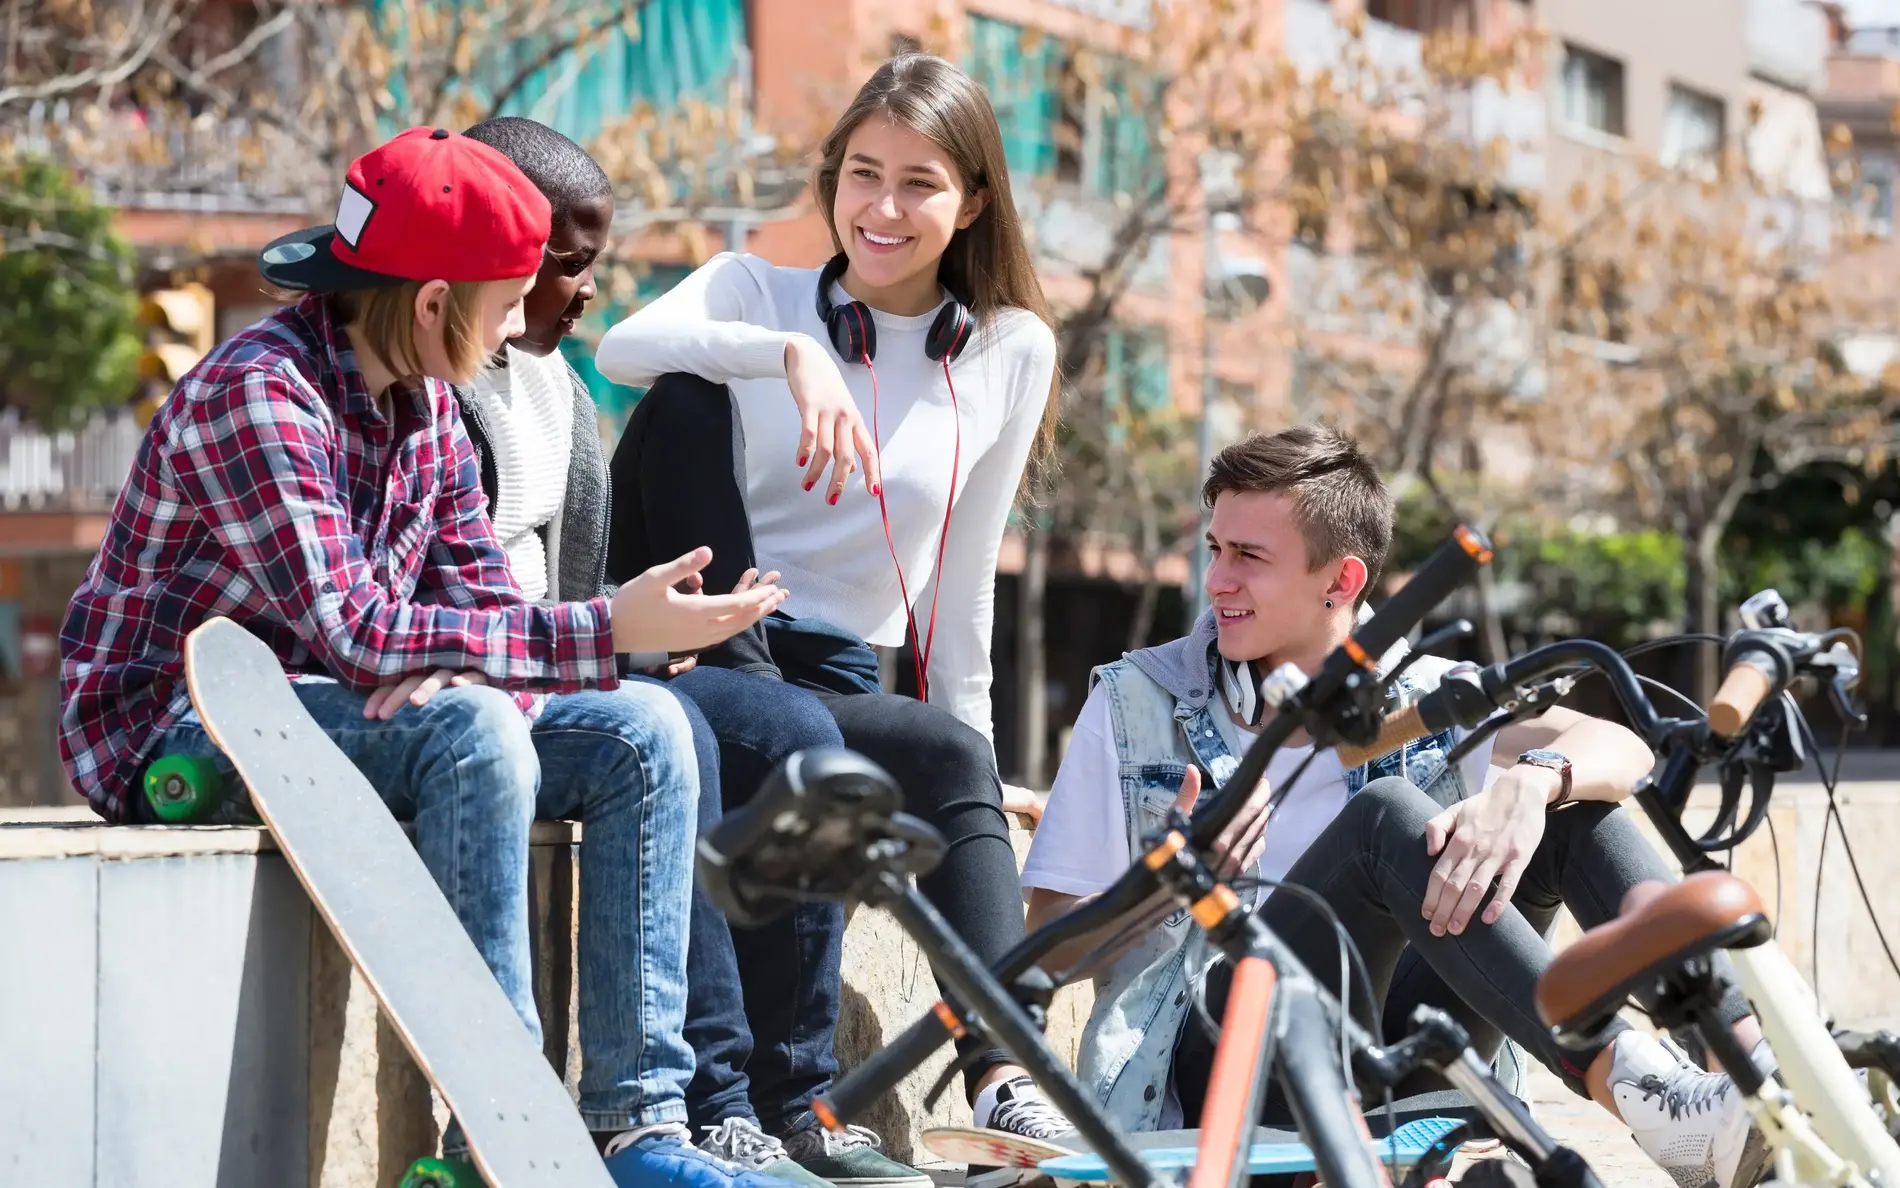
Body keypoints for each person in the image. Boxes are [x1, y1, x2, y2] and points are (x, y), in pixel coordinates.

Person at [56, 126, 791, 1188]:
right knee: (474, 727)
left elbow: (481, 606)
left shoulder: (430, 408)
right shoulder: (259, 396)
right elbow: (356, 630)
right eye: (501, 306)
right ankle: (501, 1133)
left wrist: (623, 652)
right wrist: (601, 630)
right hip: (176, 724)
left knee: (645, 731)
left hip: (345, 706)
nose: (508, 336)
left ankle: (640, 1127)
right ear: (437, 302)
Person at [1020, 424, 1776, 1188]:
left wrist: (1531, 782)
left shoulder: (1426, 695)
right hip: (1227, 1080)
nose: (1216, 581)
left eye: (1248, 557)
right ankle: (1642, 1086)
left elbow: (1623, 748)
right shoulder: (1132, 701)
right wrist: (1175, 885)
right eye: (1215, 550)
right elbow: (1047, 948)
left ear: (1341, 581)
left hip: (1405, 1068)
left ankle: (1748, 1083)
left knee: (1574, 809)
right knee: (1384, 818)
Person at [595, 52, 1072, 1142]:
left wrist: (986, 761)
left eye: (920, 182)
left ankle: (1004, 1076)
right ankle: (769, 1106)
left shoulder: (1008, 349)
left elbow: (963, 583)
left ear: (974, 203)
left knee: (951, 761)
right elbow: (622, 349)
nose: (885, 207)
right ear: (831, 183)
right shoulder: (751, 293)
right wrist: (788, 361)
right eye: (863, 174)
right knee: (685, 390)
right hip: (708, 648)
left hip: (833, 669)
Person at [453, 114, 928, 1188]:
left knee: (799, 734)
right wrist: (616, 645)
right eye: (564, 266)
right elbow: (447, 604)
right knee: (669, 732)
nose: (582, 293)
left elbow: (577, 580)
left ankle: (792, 1096)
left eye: (590, 265)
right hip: (509, 671)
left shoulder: (558, 391)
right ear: (495, 250)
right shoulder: (442, 382)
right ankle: (707, 1103)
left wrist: (650, 636)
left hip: (577, 654)